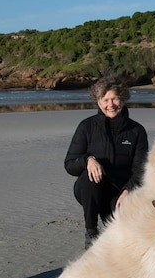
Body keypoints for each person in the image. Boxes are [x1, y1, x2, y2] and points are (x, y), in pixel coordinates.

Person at [64, 75, 149, 248]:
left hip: (120, 191)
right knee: (90, 177)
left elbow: (141, 170)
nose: (110, 104)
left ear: (123, 99)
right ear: (98, 102)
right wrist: (87, 160)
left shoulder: (137, 131)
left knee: (125, 237)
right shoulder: (86, 127)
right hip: (89, 190)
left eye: (115, 98)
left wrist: (128, 191)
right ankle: (91, 231)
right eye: (105, 99)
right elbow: (70, 164)